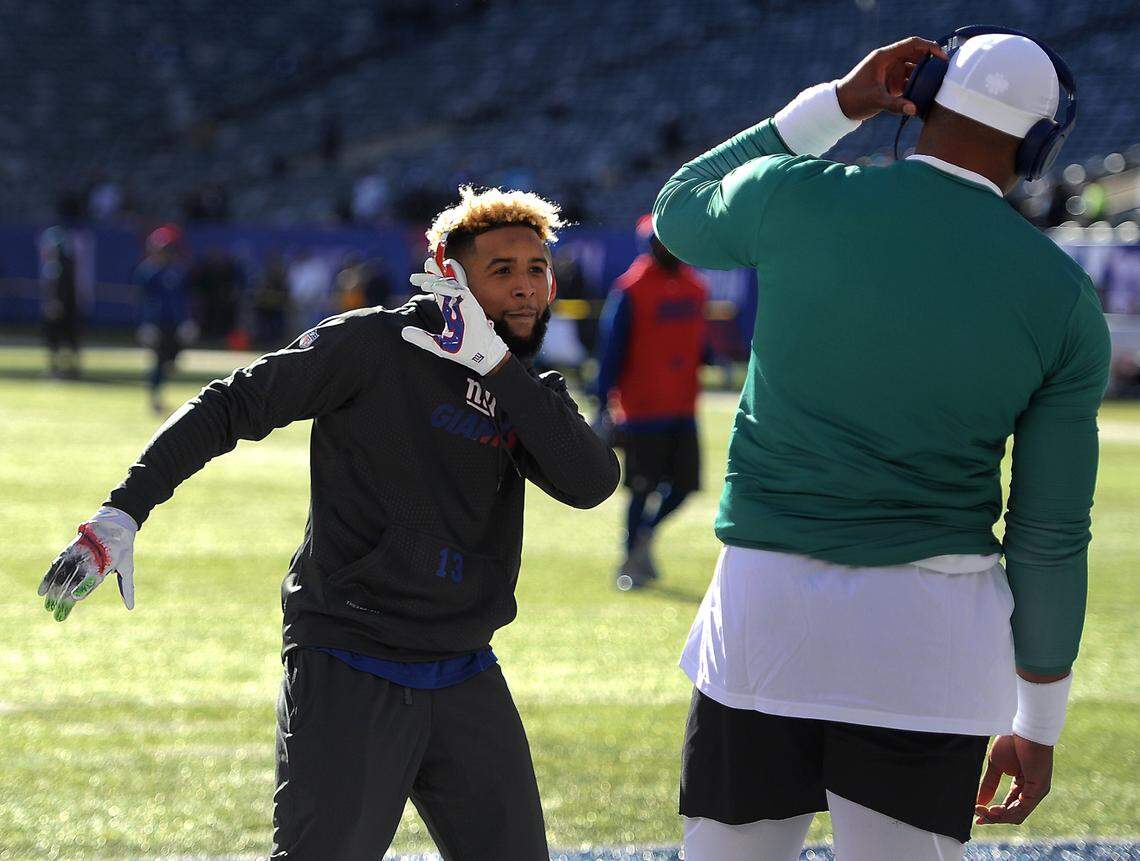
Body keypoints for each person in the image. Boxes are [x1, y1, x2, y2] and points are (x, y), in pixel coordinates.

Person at [37, 186, 620, 860]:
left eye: (537, 270)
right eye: (503, 271)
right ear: (451, 275)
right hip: (352, 657)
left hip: (463, 669)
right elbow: (232, 404)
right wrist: (123, 510)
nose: (526, 289)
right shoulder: (375, 342)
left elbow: (592, 483)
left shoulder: (523, 386)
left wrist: (495, 366)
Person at [653, 31, 1109, 861]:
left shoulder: (796, 195)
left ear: (922, 97)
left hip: (765, 608)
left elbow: (681, 205)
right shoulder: (1062, 296)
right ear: (1040, 146)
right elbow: (1049, 537)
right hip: (930, 633)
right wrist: (1037, 720)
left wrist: (837, 102)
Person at [594, 214, 708, 590]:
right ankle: (630, 558)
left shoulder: (695, 288)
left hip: (682, 406)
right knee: (641, 488)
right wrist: (601, 401)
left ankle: (643, 537)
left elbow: (695, 342)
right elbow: (612, 351)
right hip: (642, 409)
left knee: (685, 487)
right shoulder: (631, 289)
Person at [134, 224, 198, 413]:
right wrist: (146, 324)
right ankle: (154, 397)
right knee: (159, 360)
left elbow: (183, 299)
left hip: (174, 323)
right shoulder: (147, 272)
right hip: (157, 323)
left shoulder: (178, 271)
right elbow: (143, 301)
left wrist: (187, 321)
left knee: (172, 360)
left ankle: (157, 391)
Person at [38, 225, 82, 380]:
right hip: (58, 307)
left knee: (67, 339)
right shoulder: (53, 264)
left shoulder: (63, 264)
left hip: (63, 308)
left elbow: (62, 288)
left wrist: (57, 303)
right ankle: (58, 368)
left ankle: (68, 369)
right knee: (56, 340)